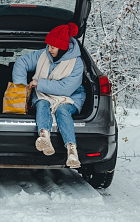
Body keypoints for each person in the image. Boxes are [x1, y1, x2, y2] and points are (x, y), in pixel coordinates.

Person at [12, 22, 85, 168]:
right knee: (42, 104)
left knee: (62, 111)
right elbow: (21, 62)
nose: (49, 49)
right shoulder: (43, 54)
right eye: (48, 45)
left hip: (69, 96)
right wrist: (20, 88)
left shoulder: (76, 63)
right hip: (43, 95)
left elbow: (66, 89)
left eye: (53, 47)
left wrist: (39, 83)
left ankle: (72, 151)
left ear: (63, 47)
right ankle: (45, 137)